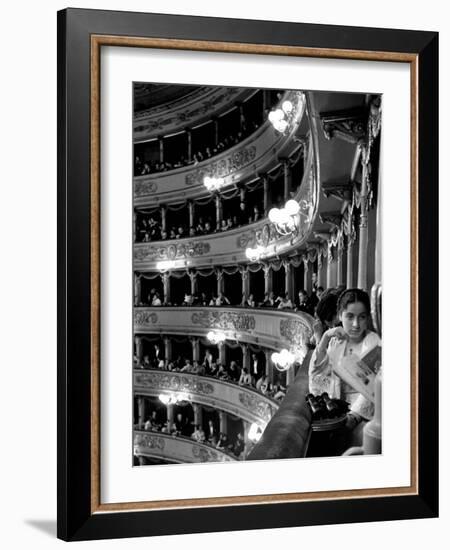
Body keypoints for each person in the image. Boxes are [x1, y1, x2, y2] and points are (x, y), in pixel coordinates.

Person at [308, 288, 381, 433]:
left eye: (361, 317)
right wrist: (325, 338)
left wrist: (354, 416)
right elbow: (315, 376)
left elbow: (375, 388)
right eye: (349, 317)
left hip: (363, 418)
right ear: (341, 316)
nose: (355, 324)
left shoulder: (373, 343)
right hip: (340, 411)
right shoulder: (336, 342)